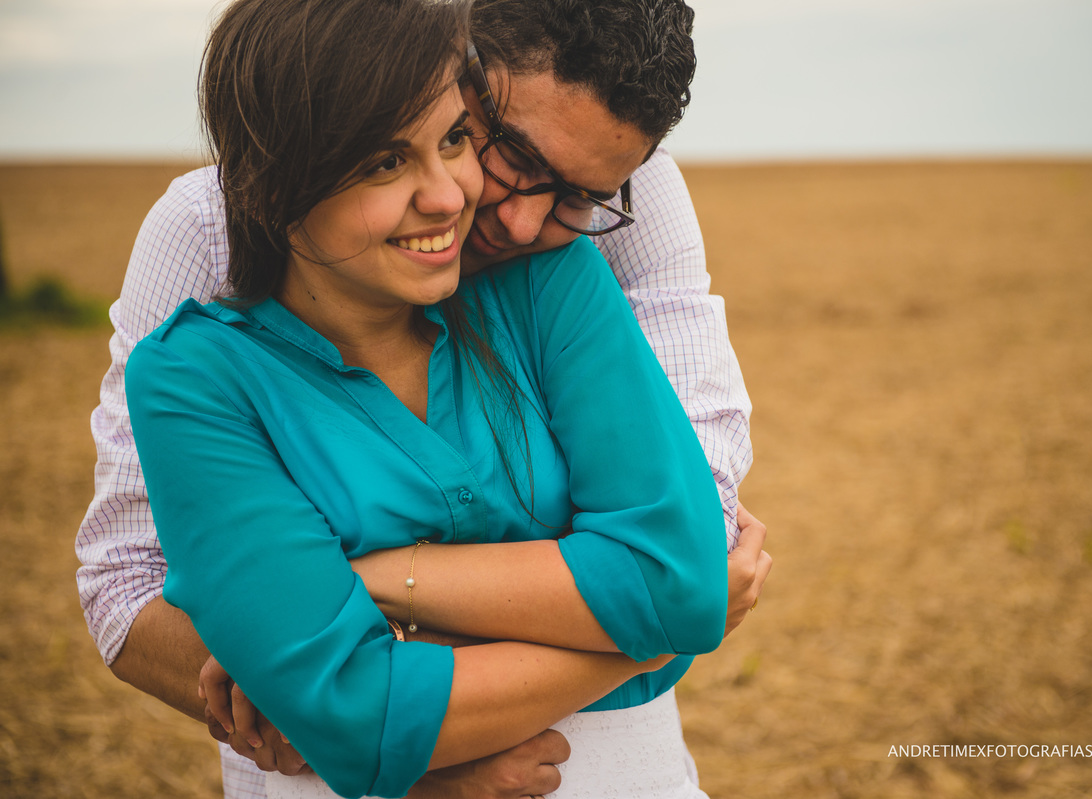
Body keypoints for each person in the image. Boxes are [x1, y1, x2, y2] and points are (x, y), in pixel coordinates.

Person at [75, 0, 763, 796]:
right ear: (465, 61)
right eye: (505, 150)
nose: (516, 218)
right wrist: (367, 728)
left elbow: (690, 562)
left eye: (455, 146)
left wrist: (364, 589)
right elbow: (132, 590)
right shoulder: (202, 278)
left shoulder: (573, 254)